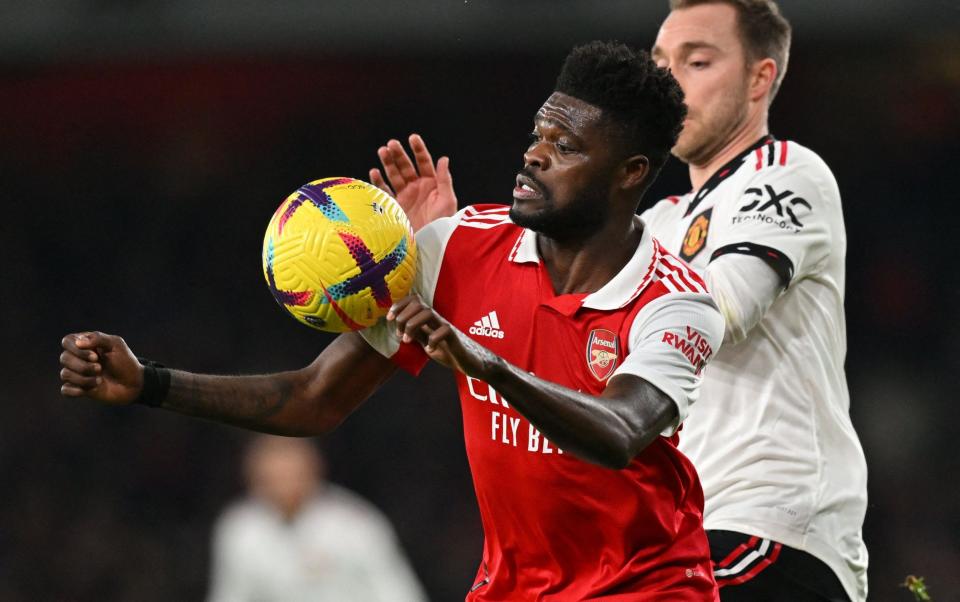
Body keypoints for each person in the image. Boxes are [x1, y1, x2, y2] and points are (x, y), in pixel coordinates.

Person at [60, 41, 727, 600]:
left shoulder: (677, 301)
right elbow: (314, 399)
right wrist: (149, 382)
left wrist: (484, 364)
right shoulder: (456, 249)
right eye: (537, 134)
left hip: (651, 587)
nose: (534, 155)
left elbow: (618, 432)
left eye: (567, 146)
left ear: (630, 172)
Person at [645, 1, 868, 600]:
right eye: (661, 64)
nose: (669, 82)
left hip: (775, 529)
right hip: (691, 532)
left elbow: (720, 311)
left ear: (759, 78)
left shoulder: (786, 174)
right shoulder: (657, 224)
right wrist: (438, 252)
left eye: (697, 61)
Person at [207, 435, 426, 602]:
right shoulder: (240, 530)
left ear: (312, 468)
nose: (283, 485)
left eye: (290, 473)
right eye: (273, 477)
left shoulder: (353, 523)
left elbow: (397, 592)